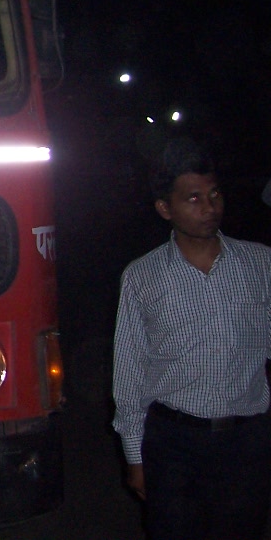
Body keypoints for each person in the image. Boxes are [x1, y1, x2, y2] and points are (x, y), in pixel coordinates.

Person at [111, 136, 271, 540]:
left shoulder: (260, 263)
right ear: (166, 208)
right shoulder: (142, 276)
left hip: (247, 438)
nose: (209, 207)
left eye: (214, 193)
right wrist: (135, 456)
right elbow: (130, 371)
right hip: (173, 441)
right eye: (193, 198)